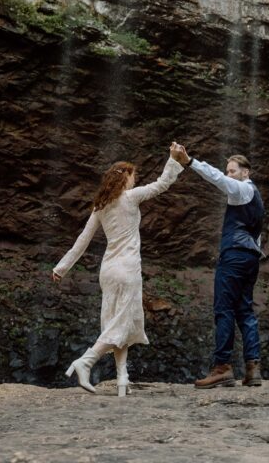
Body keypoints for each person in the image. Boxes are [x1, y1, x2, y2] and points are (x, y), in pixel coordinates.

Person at [52, 150, 184, 396]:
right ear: (126, 178)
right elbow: (162, 184)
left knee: (118, 321)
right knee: (121, 323)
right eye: (134, 176)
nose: (135, 180)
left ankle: (123, 378)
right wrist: (174, 158)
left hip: (108, 270)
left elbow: (82, 240)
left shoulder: (100, 207)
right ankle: (86, 361)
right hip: (127, 269)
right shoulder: (131, 197)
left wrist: (61, 267)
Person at [170, 142, 264, 388]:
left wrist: (189, 162)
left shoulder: (242, 190)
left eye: (232, 170)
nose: (228, 174)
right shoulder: (256, 198)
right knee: (245, 310)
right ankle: (253, 368)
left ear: (246, 172)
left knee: (224, 310)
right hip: (251, 257)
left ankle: (222, 367)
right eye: (228, 170)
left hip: (233, 256)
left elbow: (217, 179)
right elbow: (256, 235)